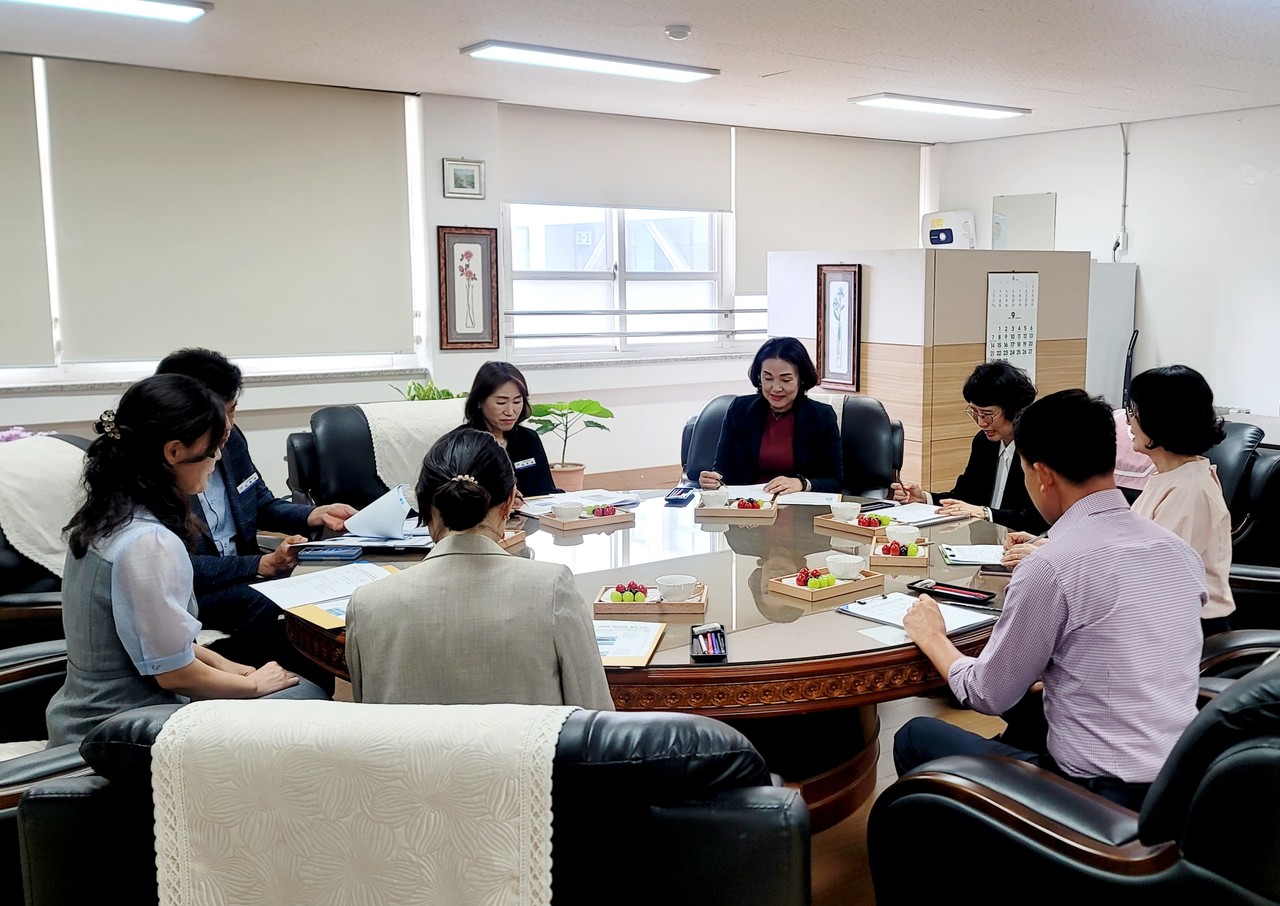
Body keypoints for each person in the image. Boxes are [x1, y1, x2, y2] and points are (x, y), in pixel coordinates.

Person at [893, 389, 1205, 810]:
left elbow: (986, 694)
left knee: (915, 736)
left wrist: (932, 636)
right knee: (1030, 702)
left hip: (1097, 792)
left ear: (1043, 475)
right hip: (1181, 779)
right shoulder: (1177, 551)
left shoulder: (1051, 567)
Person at [46, 375, 328, 747]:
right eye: (212, 449)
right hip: (124, 732)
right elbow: (175, 674)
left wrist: (233, 669)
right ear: (174, 451)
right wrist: (255, 684)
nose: (218, 459)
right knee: (309, 703)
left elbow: (160, 642)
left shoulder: (107, 515)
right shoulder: (148, 543)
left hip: (90, 717)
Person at [346, 427, 613, 710]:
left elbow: (370, 721)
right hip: (526, 755)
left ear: (423, 505)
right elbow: (595, 719)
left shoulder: (367, 603)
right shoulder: (551, 589)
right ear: (510, 502)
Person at [155, 348, 355, 678]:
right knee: (272, 605)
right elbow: (175, 566)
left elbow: (259, 502)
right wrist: (259, 564)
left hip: (246, 573)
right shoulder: (161, 471)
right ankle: (265, 690)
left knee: (318, 585)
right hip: (194, 592)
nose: (229, 425)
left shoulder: (232, 442)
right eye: (223, 414)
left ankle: (314, 697)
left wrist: (312, 515)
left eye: (234, 412)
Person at [1127, 365, 1235, 635]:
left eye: (1135, 412)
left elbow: (1150, 574)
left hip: (1188, 631)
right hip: (1157, 619)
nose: (1129, 422)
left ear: (1160, 419)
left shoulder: (1190, 490)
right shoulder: (1170, 476)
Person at [892, 360, 1047, 533]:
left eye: (987, 415)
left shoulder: (1036, 448)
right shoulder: (984, 443)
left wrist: (985, 513)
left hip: (1021, 545)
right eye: (974, 412)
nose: (981, 422)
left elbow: (1037, 518)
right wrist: (924, 498)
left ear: (1013, 409)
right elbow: (964, 496)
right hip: (982, 542)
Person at [699, 337, 842, 495]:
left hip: (798, 507)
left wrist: (801, 483)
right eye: (768, 378)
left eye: (785, 380)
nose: (775, 388)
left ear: (801, 379)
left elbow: (835, 481)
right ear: (759, 377)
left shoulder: (821, 417)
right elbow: (722, 470)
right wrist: (713, 480)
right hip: (747, 506)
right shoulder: (739, 410)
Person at [457, 360, 559, 507]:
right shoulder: (462, 444)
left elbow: (546, 491)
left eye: (517, 402)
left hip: (527, 523)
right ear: (479, 401)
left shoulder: (529, 439)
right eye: (501, 403)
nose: (510, 412)